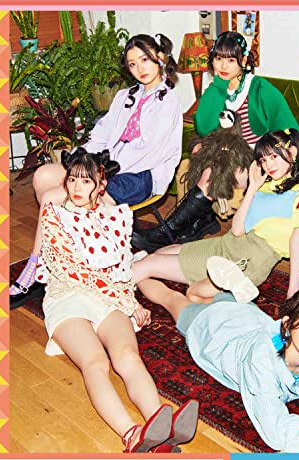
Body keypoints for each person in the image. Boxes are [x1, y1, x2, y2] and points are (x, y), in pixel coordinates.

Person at [36, 148, 198, 453]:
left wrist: (130, 300)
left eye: (86, 181)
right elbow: (79, 273)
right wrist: (129, 304)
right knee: (95, 362)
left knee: (128, 357)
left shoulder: (116, 217)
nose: (77, 187)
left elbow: (122, 267)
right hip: (68, 297)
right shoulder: (54, 216)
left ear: (101, 184)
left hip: (109, 298)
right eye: (72, 180)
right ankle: (131, 434)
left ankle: (161, 428)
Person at [10, 33, 182, 309]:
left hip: (141, 175)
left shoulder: (168, 101)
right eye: (132, 64)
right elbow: (102, 133)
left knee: (54, 198)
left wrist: (98, 171)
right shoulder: (125, 96)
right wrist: (82, 157)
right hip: (106, 166)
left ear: (160, 58)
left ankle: (35, 267)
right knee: (44, 176)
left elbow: (147, 150)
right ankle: (59, 258)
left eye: (145, 60)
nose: (140, 68)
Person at [138, 280, 299, 452]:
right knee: (172, 298)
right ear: (287, 325)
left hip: (248, 314)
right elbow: (276, 433)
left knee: (215, 298)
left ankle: (208, 289)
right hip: (214, 328)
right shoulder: (260, 361)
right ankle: (135, 270)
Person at [132, 31, 299, 251]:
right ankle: (198, 223)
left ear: (243, 60)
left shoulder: (261, 90)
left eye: (231, 60)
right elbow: (203, 127)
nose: (223, 65)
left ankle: (166, 232)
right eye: (218, 58)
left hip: (256, 162)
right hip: (226, 154)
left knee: (211, 172)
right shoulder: (216, 89)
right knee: (189, 164)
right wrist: (219, 87)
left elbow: (291, 133)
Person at [133, 128, 299, 302]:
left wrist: (293, 289)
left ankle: (116, 293)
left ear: (293, 152)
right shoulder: (266, 184)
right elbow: (237, 229)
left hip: (246, 261)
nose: (268, 165)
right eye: (263, 160)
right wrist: (253, 187)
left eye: (273, 157)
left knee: (150, 263)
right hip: (227, 244)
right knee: (158, 254)